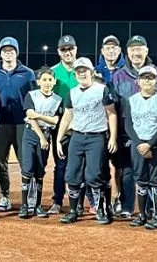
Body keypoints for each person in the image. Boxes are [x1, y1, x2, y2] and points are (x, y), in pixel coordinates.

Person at [109, 35, 157, 218]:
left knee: (153, 174)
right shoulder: (118, 75)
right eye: (132, 49)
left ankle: (152, 210)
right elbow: (113, 105)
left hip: (154, 136)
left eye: (140, 49)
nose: (136, 52)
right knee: (128, 172)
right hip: (127, 133)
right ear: (127, 52)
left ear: (146, 51)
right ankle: (128, 207)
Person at [55, 57, 118, 224]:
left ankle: (101, 209)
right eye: (79, 72)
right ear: (75, 75)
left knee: (94, 175)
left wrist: (112, 137)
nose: (82, 74)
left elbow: (111, 113)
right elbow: (67, 116)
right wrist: (59, 139)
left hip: (96, 136)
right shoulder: (73, 92)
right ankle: (74, 210)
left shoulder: (101, 89)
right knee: (72, 174)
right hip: (77, 136)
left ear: (91, 72)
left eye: (85, 71)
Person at [48, 35, 96, 215]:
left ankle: (87, 201)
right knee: (61, 164)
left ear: (76, 49)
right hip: (61, 123)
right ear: (59, 52)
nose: (67, 52)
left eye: (70, 49)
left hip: (84, 124)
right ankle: (57, 201)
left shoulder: (85, 70)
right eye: (63, 49)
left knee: (83, 165)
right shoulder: (53, 72)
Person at [0, 36, 36, 213]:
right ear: (0, 53)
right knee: (0, 163)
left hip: (22, 123)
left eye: (11, 50)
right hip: (0, 124)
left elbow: (34, 97)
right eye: (5, 50)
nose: (8, 53)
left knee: (26, 162)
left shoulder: (28, 73)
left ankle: (30, 197)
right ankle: (5, 196)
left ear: (16, 52)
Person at [121, 66, 157, 229]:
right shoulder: (132, 100)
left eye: (151, 77)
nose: (147, 80)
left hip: (155, 144)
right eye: (144, 77)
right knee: (140, 179)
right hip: (138, 145)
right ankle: (142, 214)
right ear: (138, 81)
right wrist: (139, 143)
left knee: (156, 180)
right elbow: (128, 124)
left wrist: (149, 144)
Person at [19, 67, 62, 219]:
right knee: (28, 169)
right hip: (32, 133)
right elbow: (30, 117)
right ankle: (24, 205)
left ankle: (37, 205)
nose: (47, 83)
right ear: (38, 81)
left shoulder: (57, 100)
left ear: (54, 81)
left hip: (46, 133)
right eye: (44, 80)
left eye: (50, 80)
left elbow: (56, 120)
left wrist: (38, 115)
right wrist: (42, 137)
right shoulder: (32, 95)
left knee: (39, 170)